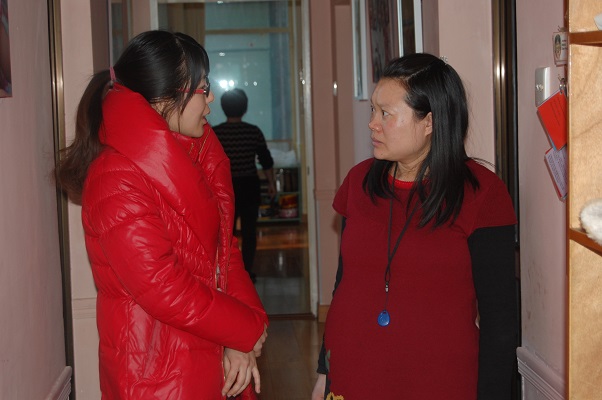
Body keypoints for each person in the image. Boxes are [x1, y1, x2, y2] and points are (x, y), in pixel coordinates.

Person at [54, 30, 268, 400]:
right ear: (165, 97)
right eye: (203, 87)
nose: (210, 98)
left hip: (205, 351)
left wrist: (244, 333)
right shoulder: (115, 175)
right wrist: (242, 329)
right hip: (158, 375)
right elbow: (163, 286)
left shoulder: (193, 155)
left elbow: (224, 250)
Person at [311, 53, 518, 400]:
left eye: (386, 113)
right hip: (351, 374)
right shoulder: (358, 182)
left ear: (430, 122)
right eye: (373, 110)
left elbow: (500, 321)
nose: (372, 124)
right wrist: (324, 371)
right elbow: (344, 284)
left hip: (438, 382)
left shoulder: (482, 194)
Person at [213, 88, 276, 282]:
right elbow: (266, 161)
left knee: (226, 233)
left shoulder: (216, 133)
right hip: (249, 186)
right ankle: (247, 271)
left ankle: (227, 272)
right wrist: (272, 184)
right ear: (245, 108)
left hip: (224, 188)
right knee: (249, 232)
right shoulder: (253, 131)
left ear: (223, 107)